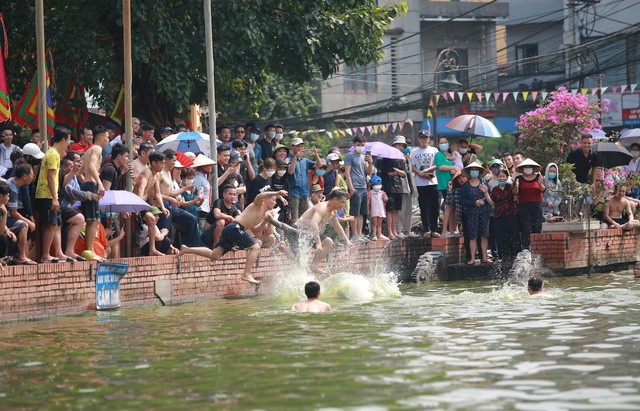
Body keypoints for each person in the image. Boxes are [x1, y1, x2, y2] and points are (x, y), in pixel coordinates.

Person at [179, 189, 289, 284]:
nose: (275, 203)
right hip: (234, 227)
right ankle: (246, 274)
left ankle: (187, 249)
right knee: (255, 247)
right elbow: (260, 195)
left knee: (214, 255)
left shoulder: (266, 215)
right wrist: (277, 192)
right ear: (266, 200)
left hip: (234, 230)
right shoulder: (258, 205)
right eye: (273, 200)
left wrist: (266, 223)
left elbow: (256, 231)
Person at [289, 189, 353, 274]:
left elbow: (337, 226)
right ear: (335, 200)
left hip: (309, 233)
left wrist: (346, 240)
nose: (343, 205)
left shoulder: (333, 212)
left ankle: (314, 266)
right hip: (296, 232)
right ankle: (282, 247)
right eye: (342, 202)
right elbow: (313, 223)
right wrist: (318, 243)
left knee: (328, 242)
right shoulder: (322, 208)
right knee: (299, 263)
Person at [36, 125, 72, 263]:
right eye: (68, 140)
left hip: (51, 195)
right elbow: (51, 177)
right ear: (63, 140)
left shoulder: (55, 154)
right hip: (46, 195)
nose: (69, 144)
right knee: (51, 224)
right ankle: (45, 255)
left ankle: (58, 252)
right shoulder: (52, 154)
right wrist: (55, 198)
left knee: (57, 224)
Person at [79, 126, 108, 261]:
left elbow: (79, 172)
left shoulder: (88, 150)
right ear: (101, 138)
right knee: (92, 220)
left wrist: (84, 184)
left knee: (91, 219)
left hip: (86, 184)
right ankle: (90, 250)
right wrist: (99, 183)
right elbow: (91, 165)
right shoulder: (97, 148)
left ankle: (88, 250)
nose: (108, 140)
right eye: (107, 137)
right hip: (91, 185)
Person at [459, 162, 493, 264]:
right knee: (472, 236)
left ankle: (484, 257)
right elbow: (462, 200)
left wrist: (484, 197)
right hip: (471, 213)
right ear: (469, 172)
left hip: (484, 212)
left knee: (484, 235)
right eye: (472, 169)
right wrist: (474, 203)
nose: (474, 171)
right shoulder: (465, 186)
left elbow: (490, 198)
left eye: (476, 169)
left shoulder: (484, 184)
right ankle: (472, 258)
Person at [411, 130, 439, 238]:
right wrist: (420, 173)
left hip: (432, 181)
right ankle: (426, 229)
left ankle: (434, 229)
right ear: (418, 139)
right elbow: (412, 166)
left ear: (429, 139)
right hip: (420, 183)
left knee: (434, 207)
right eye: (421, 137)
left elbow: (437, 164)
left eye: (425, 138)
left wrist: (427, 171)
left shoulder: (434, 150)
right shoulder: (414, 152)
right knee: (423, 207)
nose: (423, 140)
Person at [344, 136, 373, 240]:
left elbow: (368, 172)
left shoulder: (363, 157)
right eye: (358, 144)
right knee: (354, 212)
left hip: (363, 186)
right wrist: (351, 187)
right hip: (355, 186)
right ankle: (354, 234)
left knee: (362, 213)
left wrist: (370, 163)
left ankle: (359, 234)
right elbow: (347, 172)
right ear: (354, 144)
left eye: (362, 145)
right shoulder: (349, 156)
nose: (360, 147)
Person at [513, 158, 545, 250]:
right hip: (524, 206)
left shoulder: (538, 177)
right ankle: (526, 248)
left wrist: (540, 184)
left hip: (536, 205)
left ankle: (537, 248)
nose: (528, 168)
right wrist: (516, 186)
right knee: (525, 228)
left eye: (529, 167)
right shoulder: (518, 178)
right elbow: (515, 192)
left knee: (537, 226)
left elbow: (543, 190)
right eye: (526, 167)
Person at [380, 135, 409, 239]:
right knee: (390, 210)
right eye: (399, 145)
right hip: (389, 187)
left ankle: (395, 231)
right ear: (394, 145)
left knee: (396, 210)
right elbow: (388, 173)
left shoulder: (402, 158)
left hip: (399, 187)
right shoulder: (386, 157)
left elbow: (404, 174)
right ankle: (390, 232)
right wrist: (398, 172)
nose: (400, 147)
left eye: (402, 146)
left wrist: (396, 171)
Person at [288, 138, 322, 222]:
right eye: (297, 146)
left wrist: (316, 154)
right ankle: (293, 234)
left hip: (305, 192)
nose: (300, 148)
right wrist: (295, 158)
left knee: (304, 217)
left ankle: (302, 234)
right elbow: (290, 172)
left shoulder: (305, 160)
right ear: (292, 147)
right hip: (294, 192)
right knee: (294, 218)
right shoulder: (289, 159)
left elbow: (319, 166)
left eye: (301, 146)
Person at [491, 169, 520, 260]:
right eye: (500, 176)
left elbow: (515, 193)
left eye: (503, 176)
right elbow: (492, 201)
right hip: (499, 215)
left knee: (513, 234)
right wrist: (485, 193)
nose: (502, 178)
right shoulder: (495, 189)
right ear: (497, 177)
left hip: (511, 213)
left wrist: (516, 186)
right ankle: (503, 256)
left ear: (507, 177)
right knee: (501, 236)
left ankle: (514, 254)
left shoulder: (510, 187)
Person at [435, 136, 461, 235]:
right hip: (444, 184)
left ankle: (452, 229)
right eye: (441, 142)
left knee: (454, 207)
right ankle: (444, 230)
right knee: (449, 206)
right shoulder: (438, 155)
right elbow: (441, 167)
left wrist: (454, 170)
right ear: (438, 145)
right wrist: (453, 167)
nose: (443, 144)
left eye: (445, 142)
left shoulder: (451, 155)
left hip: (453, 183)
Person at [368, 176, 389, 241]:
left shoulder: (382, 193)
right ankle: (374, 234)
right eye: (376, 184)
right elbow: (368, 202)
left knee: (380, 223)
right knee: (374, 223)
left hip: (381, 210)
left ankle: (379, 234)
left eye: (379, 184)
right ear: (373, 185)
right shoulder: (370, 193)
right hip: (374, 210)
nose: (378, 186)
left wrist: (386, 199)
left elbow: (386, 200)